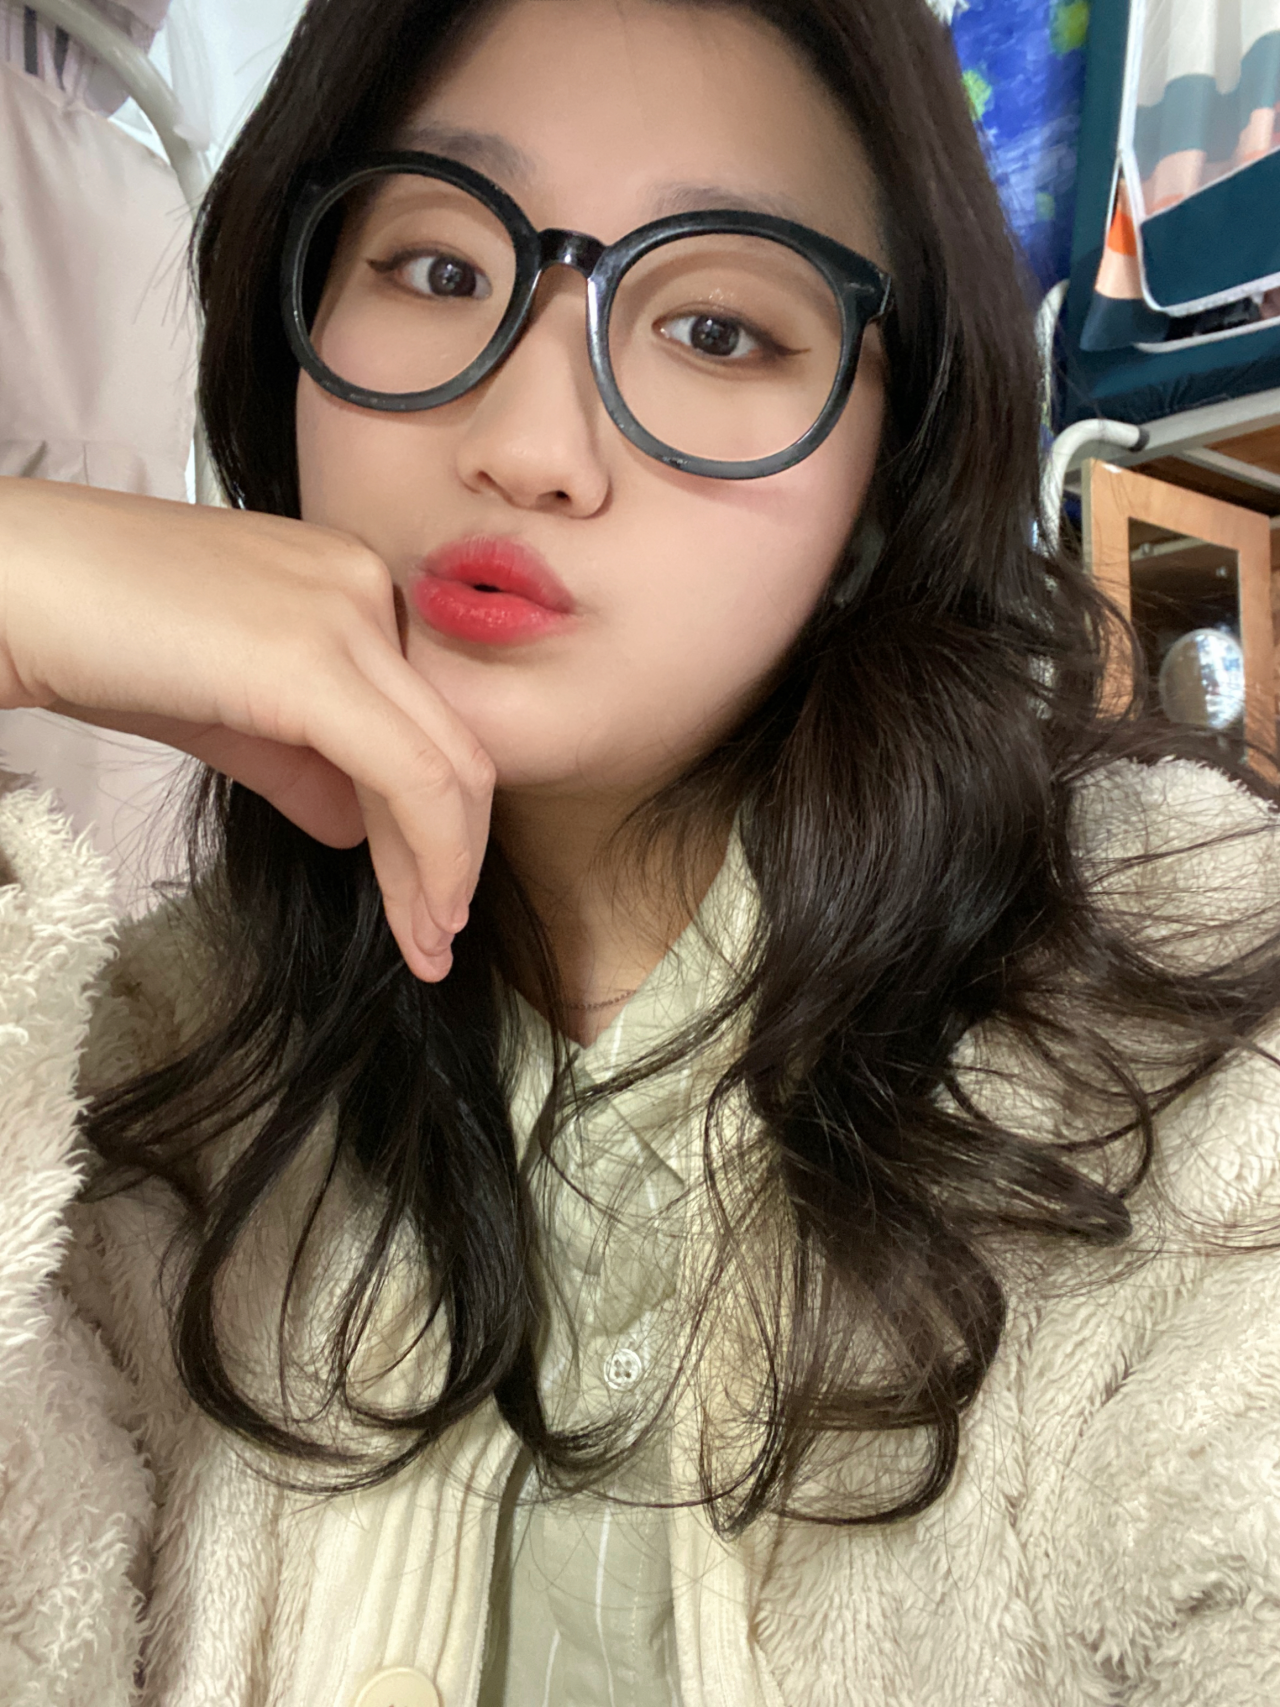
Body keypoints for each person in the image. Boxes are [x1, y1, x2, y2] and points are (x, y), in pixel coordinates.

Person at [4, 1, 1280, 1703]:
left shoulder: (1197, 1066)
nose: (530, 446)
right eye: (440, 269)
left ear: (883, 481)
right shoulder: (141, 1081)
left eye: (716, 329)